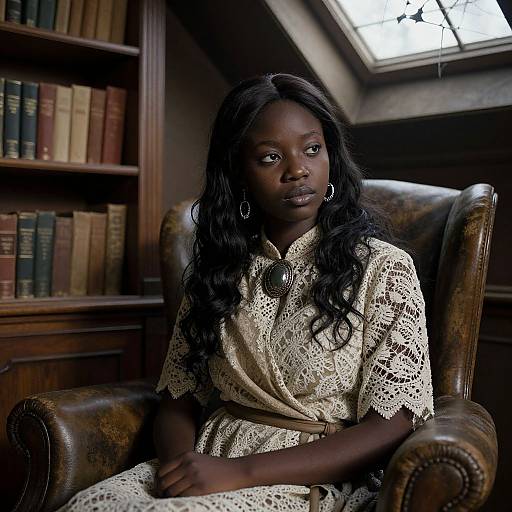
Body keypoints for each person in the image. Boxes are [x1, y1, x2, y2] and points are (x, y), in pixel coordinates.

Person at [59, 73, 434, 512]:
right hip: (205, 460)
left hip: (309, 479)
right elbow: (177, 401)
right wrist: (182, 468)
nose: (297, 169)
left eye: (312, 149)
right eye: (270, 157)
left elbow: (393, 423)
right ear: (238, 171)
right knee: (91, 505)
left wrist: (239, 474)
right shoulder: (217, 271)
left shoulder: (383, 268)